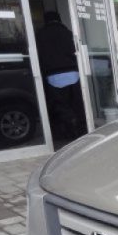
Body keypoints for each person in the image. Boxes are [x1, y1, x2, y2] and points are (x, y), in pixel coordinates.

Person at [35, 11, 86, 139]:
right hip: (73, 73)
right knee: (77, 105)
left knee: (60, 106)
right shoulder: (68, 32)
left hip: (53, 75)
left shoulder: (40, 35)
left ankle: (68, 131)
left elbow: (39, 57)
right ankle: (80, 130)